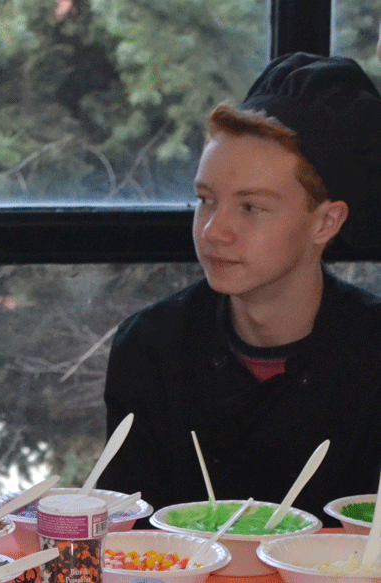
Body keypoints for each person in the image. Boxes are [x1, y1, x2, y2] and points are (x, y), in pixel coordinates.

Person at [97, 53, 381, 522]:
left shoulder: (371, 353)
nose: (213, 231)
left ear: (326, 221)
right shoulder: (151, 348)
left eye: (250, 208)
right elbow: (127, 538)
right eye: (206, 200)